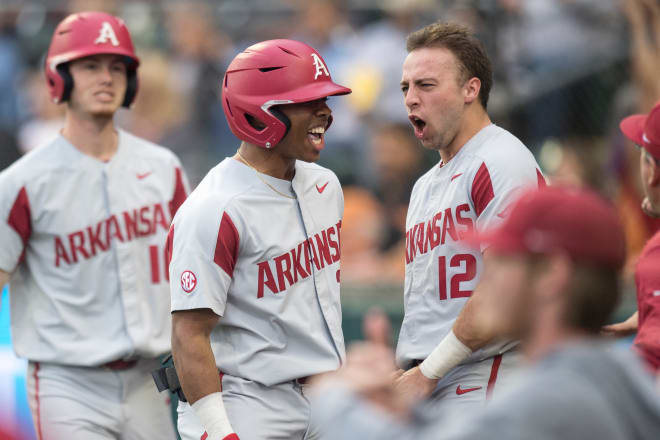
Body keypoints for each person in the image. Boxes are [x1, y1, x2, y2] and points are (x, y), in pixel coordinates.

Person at [312, 186, 660, 440]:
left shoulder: (558, 395)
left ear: (553, 274)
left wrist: (333, 395)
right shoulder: (615, 373)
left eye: (506, 259)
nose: (487, 272)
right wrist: (405, 411)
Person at [0, 11, 188, 439]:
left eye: (116, 66)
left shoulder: (164, 169)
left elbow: (194, 272)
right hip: (68, 383)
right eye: (90, 65)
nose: (106, 77)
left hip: (148, 380)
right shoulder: (22, 183)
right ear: (58, 78)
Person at [168, 39, 351, 440]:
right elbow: (189, 334)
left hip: (328, 395)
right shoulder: (215, 208)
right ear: (260, 114)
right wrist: (220, 431)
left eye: (325, 99)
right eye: (308, 101)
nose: (324, 111)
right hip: (249, 401)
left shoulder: (326, 185)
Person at [393, 21, 545, 409]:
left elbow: (504, 289)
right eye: (405, 87)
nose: (411, 98)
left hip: (487, 371)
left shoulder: (499, 160)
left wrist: (427, 371)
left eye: (426, 85)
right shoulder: (425, 184)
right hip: (436, 374)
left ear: (470, 89)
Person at [603, 100, 660, 374]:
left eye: (641, 150)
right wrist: (649, 314)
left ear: (653, 172)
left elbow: (649, 372)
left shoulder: (654, 257)